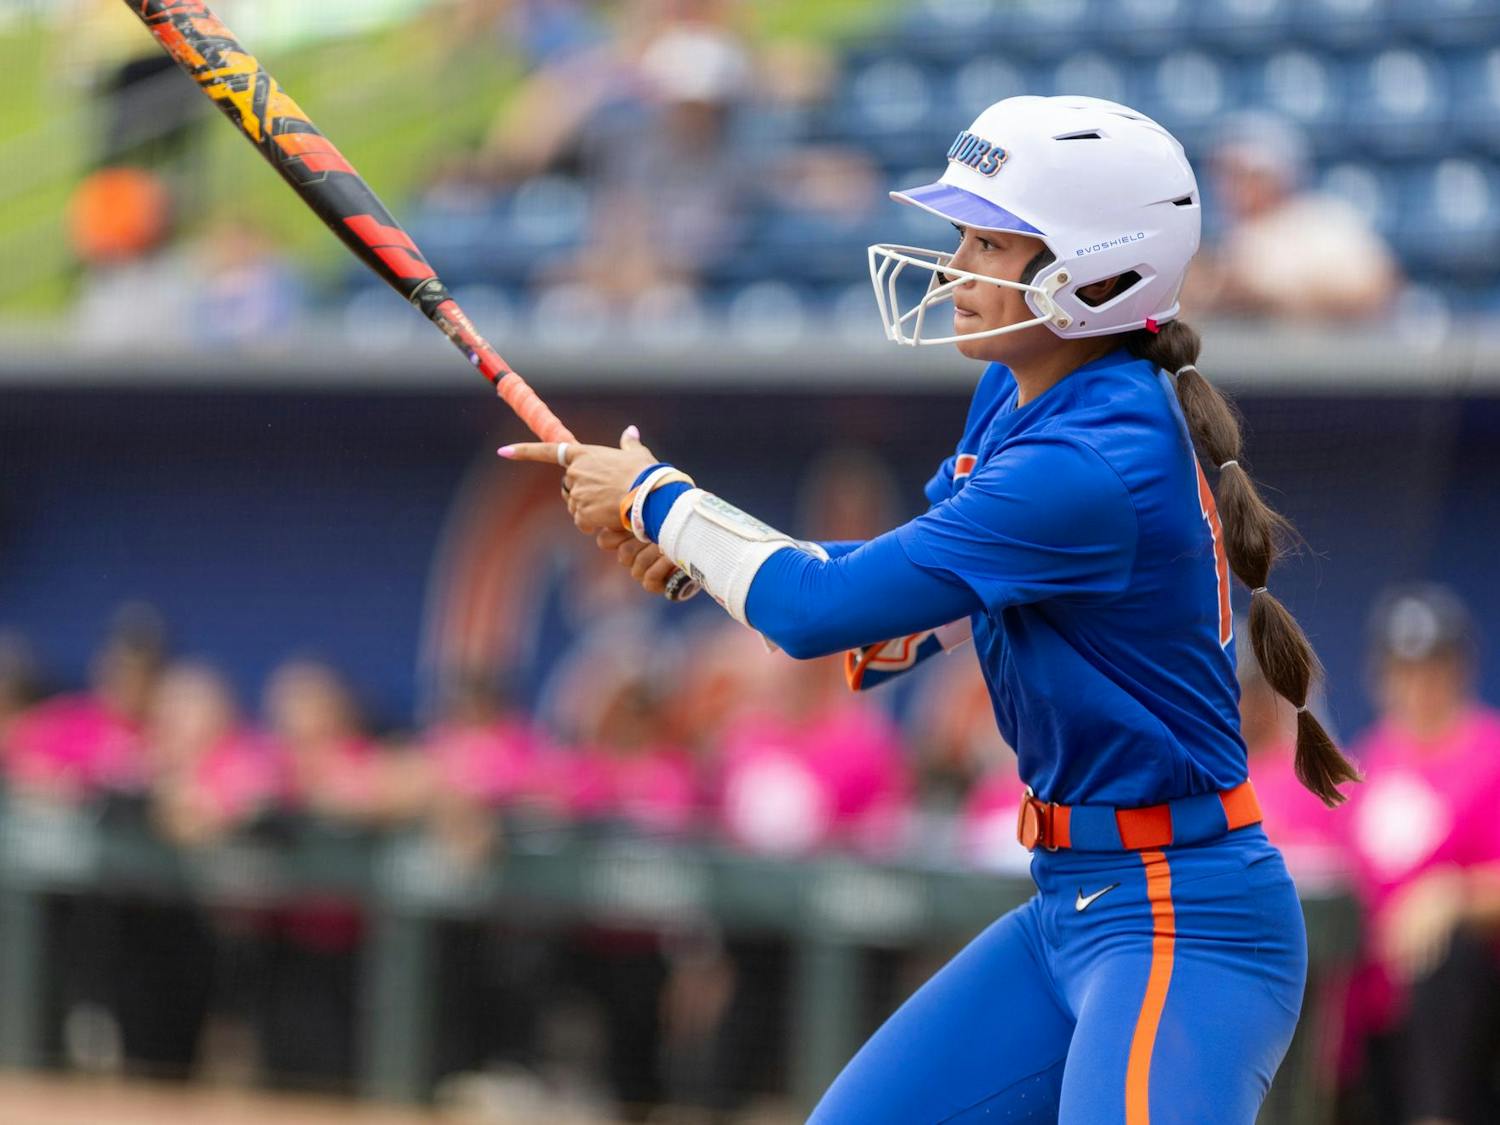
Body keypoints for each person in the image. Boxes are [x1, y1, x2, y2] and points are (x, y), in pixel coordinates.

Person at [503, 94, 1363, 1122]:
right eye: (963, 233)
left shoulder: (1090, 455)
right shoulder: (1021, 389)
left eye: (991, 242)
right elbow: (907, 609)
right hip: (1074, 903)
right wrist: (688, 557)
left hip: (1185, 920)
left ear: (1096, 270)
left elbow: (820, 610)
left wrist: (656, 498)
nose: (956, 264)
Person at [1336, 585, 1500, 1125]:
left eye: (1432, 666)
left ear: (1460, 668)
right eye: (1404, 668)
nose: (1418, 685)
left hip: (1468, 1014)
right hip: (1374, 1011)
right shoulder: (1362, 763)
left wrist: (1454, 894)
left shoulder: (1489, 750)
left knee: (1446, 949)